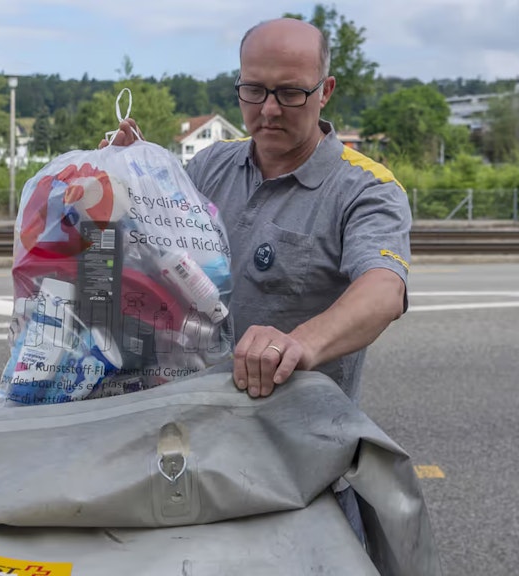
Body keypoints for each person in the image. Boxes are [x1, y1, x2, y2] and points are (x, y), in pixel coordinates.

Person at [103, 17, 412, 544]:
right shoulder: (208, 166)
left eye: (290, 93)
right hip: (190, 446)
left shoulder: (366, 188)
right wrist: (132, 172)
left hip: (300, 466)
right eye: (253, 89)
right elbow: (152, 247)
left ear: (326, 92)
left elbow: (383, 290)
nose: (268, 109)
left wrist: (297, 344)